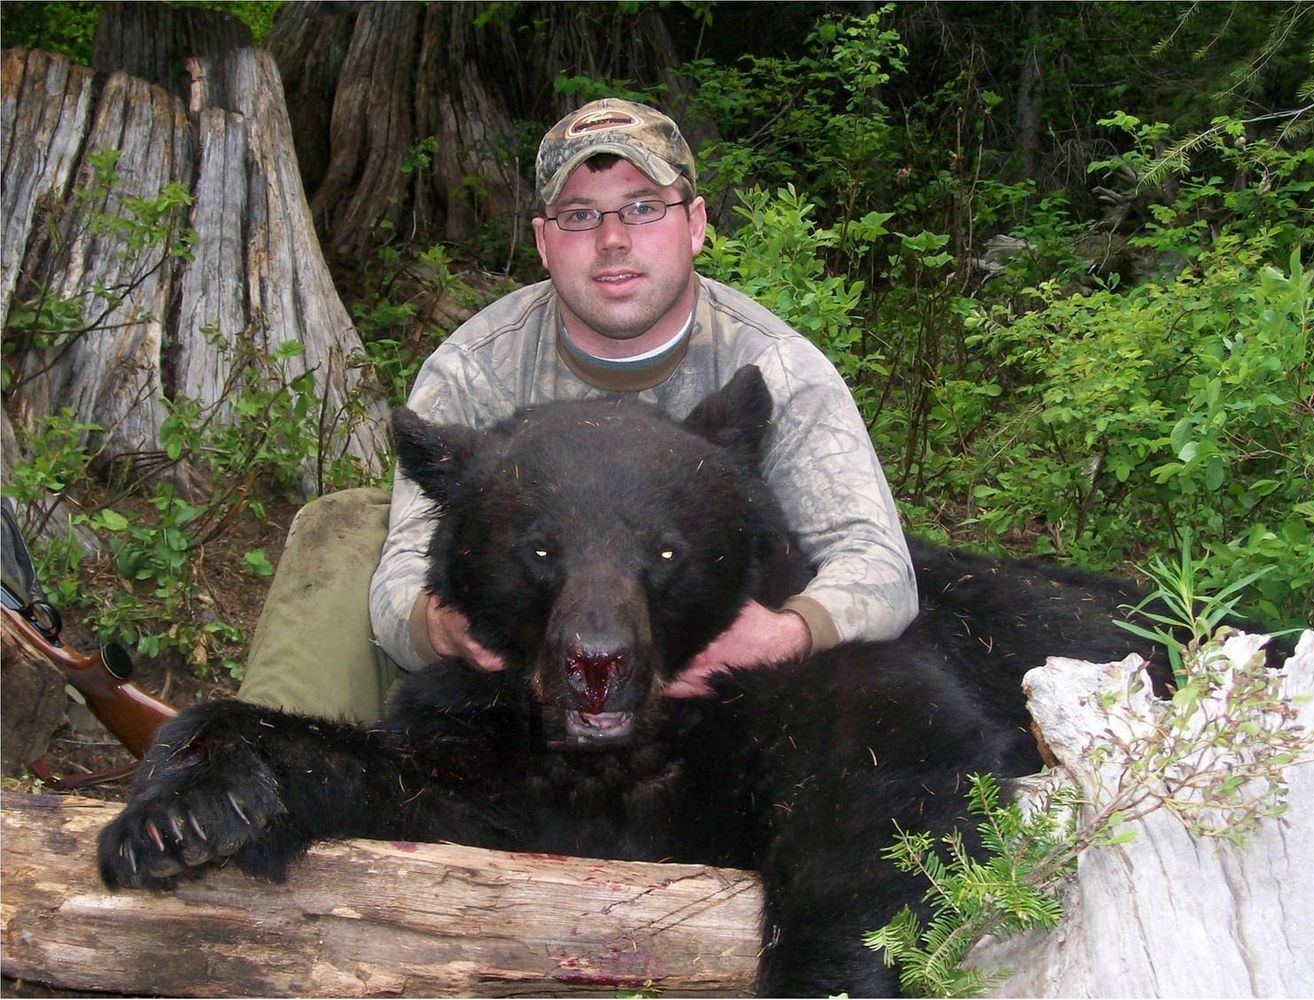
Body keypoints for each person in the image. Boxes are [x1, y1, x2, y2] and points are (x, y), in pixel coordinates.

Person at [238, 98, 917, 723]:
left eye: (643, 207)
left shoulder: (777, 368)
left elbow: (876, 561)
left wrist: (785, 634)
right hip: (526, 655)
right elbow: (404, 571)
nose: (612, 238)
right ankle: (270, 755)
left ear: (695, 224)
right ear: (543, 240)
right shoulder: (474, 367)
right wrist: (438, 627)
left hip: (698, 671)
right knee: (345, 525)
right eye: (581, 215)